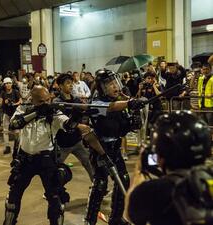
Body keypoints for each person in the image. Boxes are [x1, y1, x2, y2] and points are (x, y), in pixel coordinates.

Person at [3, 85, 111, 225]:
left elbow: (68, 126)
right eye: (42, 101)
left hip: (45, 160)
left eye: (48, 100)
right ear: (33, 100)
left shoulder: (53, 113)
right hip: (25, 159)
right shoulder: (23, 108)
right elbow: (14, 125)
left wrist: (76, 116)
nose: (47, 103)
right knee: (13, 197)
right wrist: (36, 112)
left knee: (56, 200)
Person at [125, 111, 212, 225]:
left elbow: (129, 215)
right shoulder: (208, 180)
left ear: (161, 156)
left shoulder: (154, 190)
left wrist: (139, 170)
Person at [84, 69, 145, 225]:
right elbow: (111, 107)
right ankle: (89, 221)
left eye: (115, 82)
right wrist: (129, 103)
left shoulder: (120, 101)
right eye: (110, 84)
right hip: (100, 149)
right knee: (100, 184)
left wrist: (133, 119)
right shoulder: (97, 103)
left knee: (123, 180)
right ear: (102, 87)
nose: (115, 87)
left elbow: (122, 127)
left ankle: (116, 219)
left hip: (115, 147)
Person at [53, 73, 94, 181]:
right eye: (67, 83)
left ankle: (96, 187)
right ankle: (51, 191)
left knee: (88, 162)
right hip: (62, 143)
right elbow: (62, 121)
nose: (71, 85)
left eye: (71, 83)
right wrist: (79, 126)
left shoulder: (76, 99)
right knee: (54, 168)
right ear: (60, 86)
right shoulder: (57, 102)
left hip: (76, 141)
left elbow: (86, 107)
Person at [0, 77, 22, 155]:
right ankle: (7, 147)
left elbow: (20, 101)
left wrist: (14, 104)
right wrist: (4, 102)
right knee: (5, 131)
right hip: (6, 113)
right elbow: (0, 103)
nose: (8, 85)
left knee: (16, 131)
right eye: (7, 83)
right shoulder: (3, 93)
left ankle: (17, 147)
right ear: (4, 85)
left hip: (15, 114)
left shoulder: (15, 92)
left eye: (9, 83)